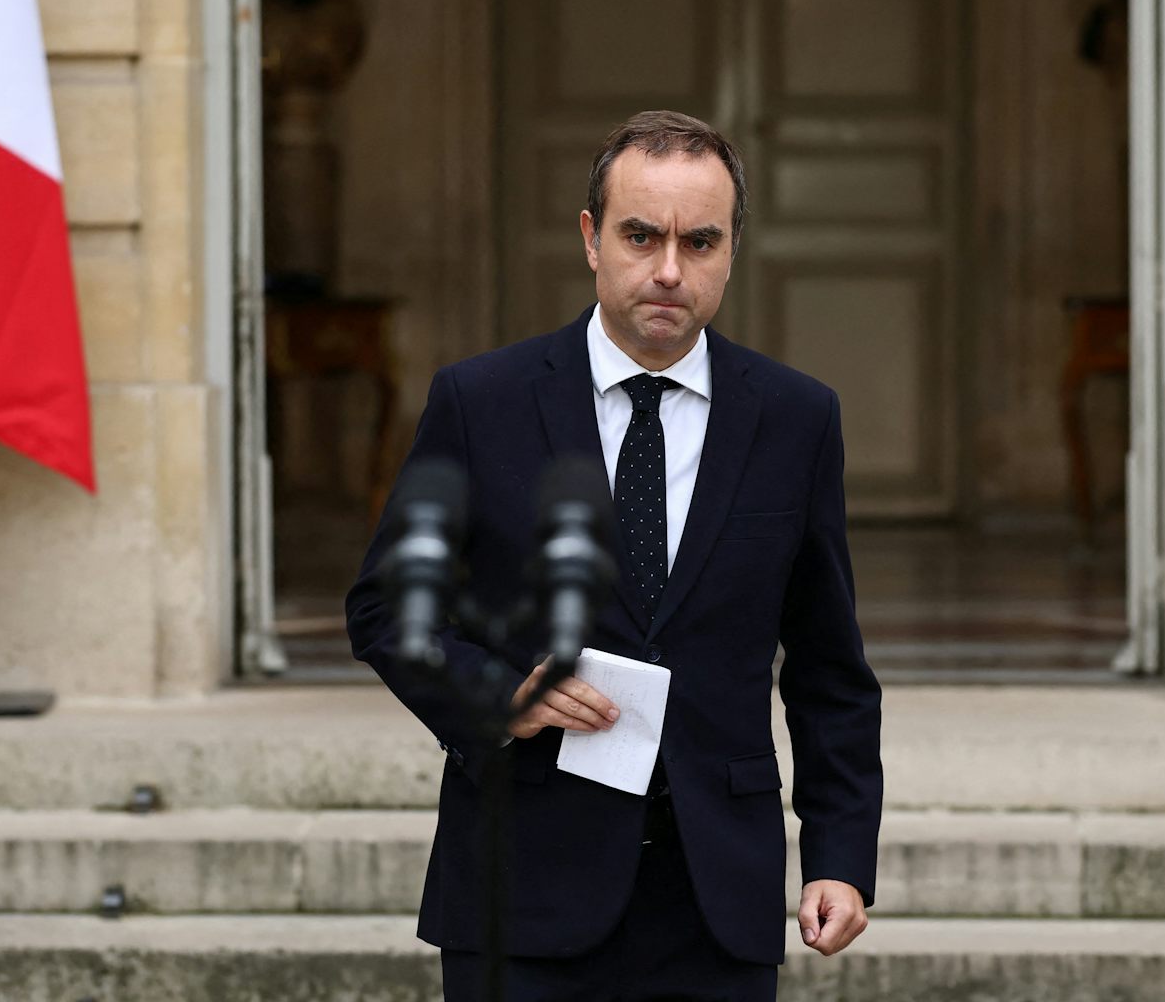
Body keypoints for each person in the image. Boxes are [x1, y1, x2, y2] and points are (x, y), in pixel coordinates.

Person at [345, 110, 883, 1001]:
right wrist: (497, 696)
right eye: (641, 236)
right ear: (592, 239)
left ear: (732, 250)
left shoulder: (797, 418)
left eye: (699, 241)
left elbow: (830, 669)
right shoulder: (482, 402)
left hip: (716, 899)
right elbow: (385, 607)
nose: (669, 270)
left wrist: (839, 855)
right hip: (521, 886)